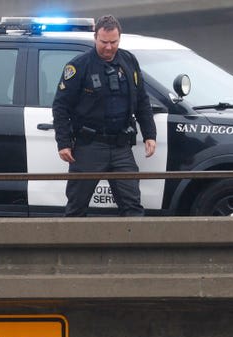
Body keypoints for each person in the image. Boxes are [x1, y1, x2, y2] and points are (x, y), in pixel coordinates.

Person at [52, 14, 157, 217]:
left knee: (133, 206)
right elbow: (60, 106)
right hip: (89, 146)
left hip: (121, 146)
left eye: (113, 42)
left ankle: (133, 248)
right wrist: (63, 142)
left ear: (119, 38)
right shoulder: (79, 66)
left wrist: (149, 134)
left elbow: (142, 99)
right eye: (103, 42)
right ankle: (72, 249)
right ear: (95, 38)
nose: (108, 47)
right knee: (76, 207)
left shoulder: (129, 60)